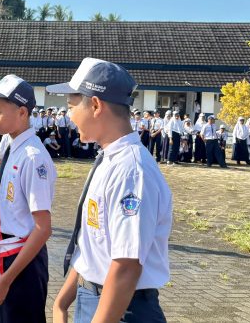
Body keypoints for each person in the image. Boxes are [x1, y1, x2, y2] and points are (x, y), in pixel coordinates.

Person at [50, 58, 171, 323]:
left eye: (71, 107)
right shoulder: (110, 158)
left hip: (121, 308)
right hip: (93, 296)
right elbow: (94, 246)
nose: (69, 116)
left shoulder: (131, 171)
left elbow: (126, 267)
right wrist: (62, 302)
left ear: (95, 105)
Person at [0, 74, 56, 323]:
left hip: (25, 264)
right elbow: (15, 212)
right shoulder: (11, 146)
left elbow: (43, 228)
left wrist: (5, 280)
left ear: (22, 112)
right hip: (10, 254)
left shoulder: (33, 157)